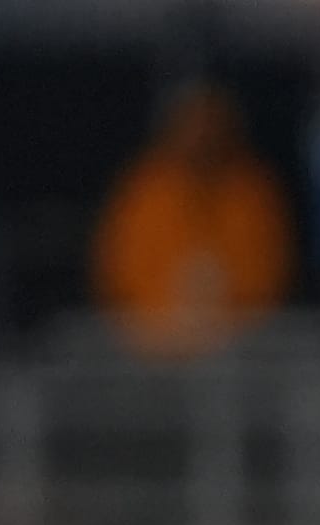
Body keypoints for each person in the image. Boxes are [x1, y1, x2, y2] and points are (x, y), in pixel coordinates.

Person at [95, 82, 298, 355]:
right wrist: (167, 322)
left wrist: (222, 317)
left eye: (209, 124)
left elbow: (268, 273)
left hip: (241, 353)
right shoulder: (145, 191)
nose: (201, 136)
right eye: (191, 125)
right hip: (152, 353)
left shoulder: (251, 192)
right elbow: (118, 272)